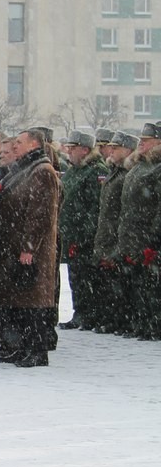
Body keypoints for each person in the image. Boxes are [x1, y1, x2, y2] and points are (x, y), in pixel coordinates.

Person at [0, 128, 63, 366]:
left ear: (33, 144)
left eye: (19, 142)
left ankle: (37, 351)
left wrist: (29, 247)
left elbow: (40, 214)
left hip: (33, 250)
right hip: (14, 244)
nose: (14, 146)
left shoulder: (42, 171)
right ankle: (21, 347)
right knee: (21, 300)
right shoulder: (24, 169)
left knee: (34, 302)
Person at [113, 123, 161, 341]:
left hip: (147, 236)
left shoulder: (157, 169)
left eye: (147, 140)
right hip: (131, 235)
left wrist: (153, 239)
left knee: (151, 286)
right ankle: (141, 323)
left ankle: (153, 325)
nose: (141, 143)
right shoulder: (138, 166)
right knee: (136, 285)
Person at [57, 131, 108, 331]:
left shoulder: (95, 171)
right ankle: (79, 312)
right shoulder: (74, 170)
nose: (68, 151)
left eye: (73, 148)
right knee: (75, 277)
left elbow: (94, 208)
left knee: (88, 278)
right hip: (71, 233)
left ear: (85, 150)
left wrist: (83, 236)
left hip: (84, 237)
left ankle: (90, 314)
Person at [91, 133, 135, 335]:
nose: (111, 151)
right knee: (108, 283)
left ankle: (122, 321)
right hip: (107, 233)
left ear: (128, 150)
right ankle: (111, 319)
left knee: (121, 284)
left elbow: (124, 211)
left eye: (116, 148)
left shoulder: (126, 174)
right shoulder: (114, 172)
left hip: (117, 234)